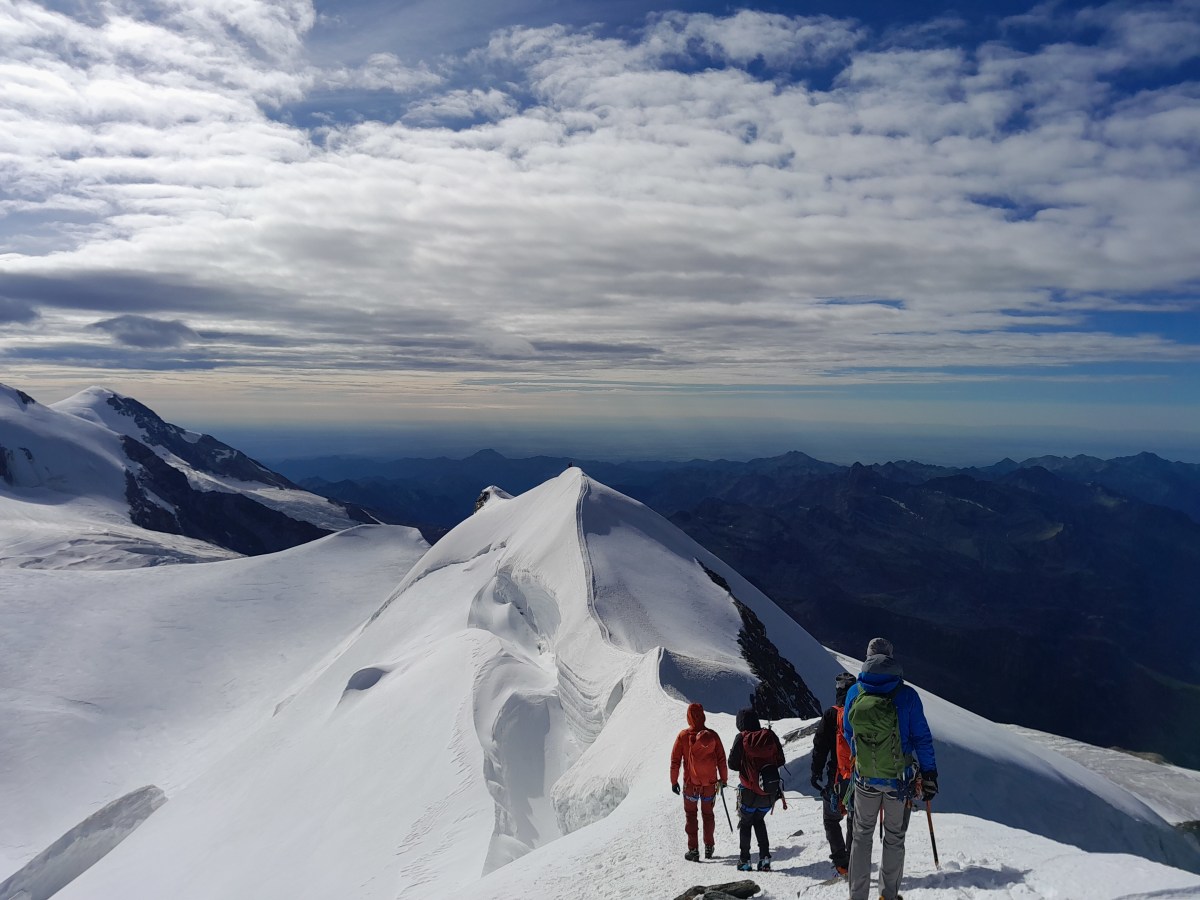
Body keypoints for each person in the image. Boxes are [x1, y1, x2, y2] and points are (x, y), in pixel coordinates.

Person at [843, 638, 938, 900]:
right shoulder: (906, 695)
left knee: (862, 836)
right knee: (894, 838)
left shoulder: (855, 692)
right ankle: (887, 895)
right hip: (899, 781)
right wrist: (929, 773)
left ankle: (858, 896)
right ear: (891, 658)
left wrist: (860, 757)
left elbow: (847, 731)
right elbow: (921, 738)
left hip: (864, 780)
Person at [811, 671, 858, 877]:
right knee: (855, 819)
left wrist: (815, 772)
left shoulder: (831, 714)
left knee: (831, 819)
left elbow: (820, 746)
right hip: (861, 775)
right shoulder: (862, 712)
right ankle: (855, 860)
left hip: (837, 776)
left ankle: (841, 862)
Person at [727, 706, 785, 872]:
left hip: (749, 792)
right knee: (759, 820)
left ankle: (745, 860)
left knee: (746, 823)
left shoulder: (742, 738)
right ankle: (765, 858)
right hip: (769, 792)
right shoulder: (770, 735)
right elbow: (780, 759)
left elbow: (732, 764)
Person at [670, 702, 729, 862]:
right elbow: (722, 760)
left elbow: (675, 761)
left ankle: (693, 850)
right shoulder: (713, 736)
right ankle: (709, 846)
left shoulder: (683, 736)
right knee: (708, 815)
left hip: (690, 785)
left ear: (689, 717)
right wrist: (723, 779)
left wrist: (673, 781)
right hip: (709, 785)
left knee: (691, 815)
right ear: (703, 715)